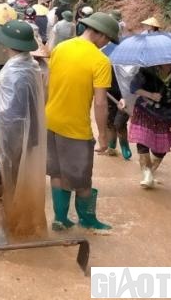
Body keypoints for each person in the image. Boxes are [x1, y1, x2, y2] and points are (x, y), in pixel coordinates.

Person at [45, 12, 121, 231]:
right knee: (83, 179)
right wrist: (103, 136)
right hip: (75, 128)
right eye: (107, 39)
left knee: (57, 173)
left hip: (50, 121)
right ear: (100, 34)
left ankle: (60, 218)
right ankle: (87, 220)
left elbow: (49, 83)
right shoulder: (100, 60)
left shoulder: (61, 48)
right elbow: (100, 103)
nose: (106, 44)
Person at [0, 20, 47, 246]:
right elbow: (20, 104)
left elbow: (13, 113)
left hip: (12, 139)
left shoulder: (16, 72)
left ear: (7, 45)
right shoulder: (29, 65)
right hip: (27, 135)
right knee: (12, 182)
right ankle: (16, 226)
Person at [128, 64, 171, 188]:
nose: (169, 64)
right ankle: (147, 174)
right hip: (145, 110)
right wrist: (150, 95)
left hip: (168, 113)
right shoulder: (147, 68)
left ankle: (150, 171)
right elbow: (134, 87)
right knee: (143, 141)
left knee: (160, 150)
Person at [97, 64, 132, 161]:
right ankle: (111, 146)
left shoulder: (130, 65)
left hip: (126, 95)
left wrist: (126, 97)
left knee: (120, 123)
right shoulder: (106, 62)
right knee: (109, 121)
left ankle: (124, 145)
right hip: (109, 93)